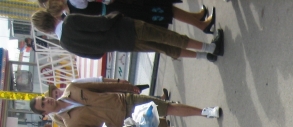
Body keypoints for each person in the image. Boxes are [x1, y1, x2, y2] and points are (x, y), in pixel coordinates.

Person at [29, 80, 221, 127]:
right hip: (124, 122)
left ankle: (204, 112)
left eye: (44, 98)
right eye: (43, 104)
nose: (47, 101)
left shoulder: (72, 88)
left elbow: (102, 86)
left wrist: (125, 86)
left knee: (166, 108)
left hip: (124, 101)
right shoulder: (71, 123)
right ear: (46, 114)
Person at [30, 10, 224, 66]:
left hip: (122, 44)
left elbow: (95, 56)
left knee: (163, 48)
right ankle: (209, 48)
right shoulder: (70, 21)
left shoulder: (65, 43)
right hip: (125, 29)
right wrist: (115, 14)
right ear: (50, 15)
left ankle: (204, 57)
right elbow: (101, 23)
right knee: (168, 37)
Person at [41, 0, 217, 35]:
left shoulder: (70, 14)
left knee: (164, 9)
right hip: (118, 6)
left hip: (116, 13)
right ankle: (201, 25)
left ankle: (198, 17)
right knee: (163, 8)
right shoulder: (74, 2)